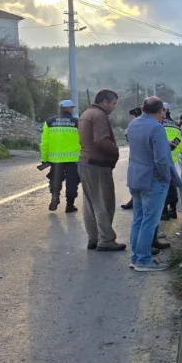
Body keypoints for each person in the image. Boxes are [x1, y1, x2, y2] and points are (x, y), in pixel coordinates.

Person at [127, 96, 182, 271]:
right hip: (153, 180)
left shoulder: (133, 124)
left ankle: (136, 257)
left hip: (135, 178)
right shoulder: (156, 128)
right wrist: (166, 177)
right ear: (160, 111)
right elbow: (161, 159)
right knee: (149, 222)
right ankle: (143, 260)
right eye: (163, 112)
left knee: (138, 219)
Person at [78, 89, 125, 251]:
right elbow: (101, 141)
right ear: (104, 102)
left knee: (90, 203)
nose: (113, 107)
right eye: (113, 104)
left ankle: (94, 238)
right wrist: (115, 150)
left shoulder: (86, 113)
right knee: (104, 202)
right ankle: (106, 239)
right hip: (97, 164)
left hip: (85, 163)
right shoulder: (99, 116)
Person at [40, 99, 81, 213]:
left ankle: (55, 197)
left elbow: (45, 143)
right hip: (72, 159)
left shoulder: (49, 122)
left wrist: (44, 159)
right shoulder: (77, 122)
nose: (72, 110)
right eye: (71, 108)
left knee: (55, 179)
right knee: (72, 181)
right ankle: (70, 205)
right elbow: (83, 140)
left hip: (55, 159)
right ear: (67, 109)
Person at [161, 102, 182, 221]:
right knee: (172, 184)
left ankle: (164, 211)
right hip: (174, 160)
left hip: (161, 160)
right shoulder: (176, 125)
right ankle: (173, 209)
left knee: (161, 186)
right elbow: (178, 144)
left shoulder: (158, 124)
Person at [121, 107, 142, 210]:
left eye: (132, 116)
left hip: (138, 157)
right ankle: (134, 200)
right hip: (135, 155)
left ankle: (136, 201)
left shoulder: (137, 125)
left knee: (136, 179)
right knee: (134, 179)